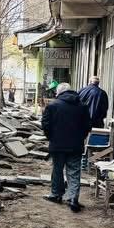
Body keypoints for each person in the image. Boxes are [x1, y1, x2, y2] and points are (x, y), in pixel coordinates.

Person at [41, 82, 92, 212]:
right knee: (74, 172)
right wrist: (80, 137)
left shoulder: (52, 106)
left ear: (59, 93)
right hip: (75, 145)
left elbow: (45, 125)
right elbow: (87, 126)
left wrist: (51, 137)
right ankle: (73, 198)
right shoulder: (82, 106)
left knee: (57, 170)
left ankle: (56, 195)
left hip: (57, 145)